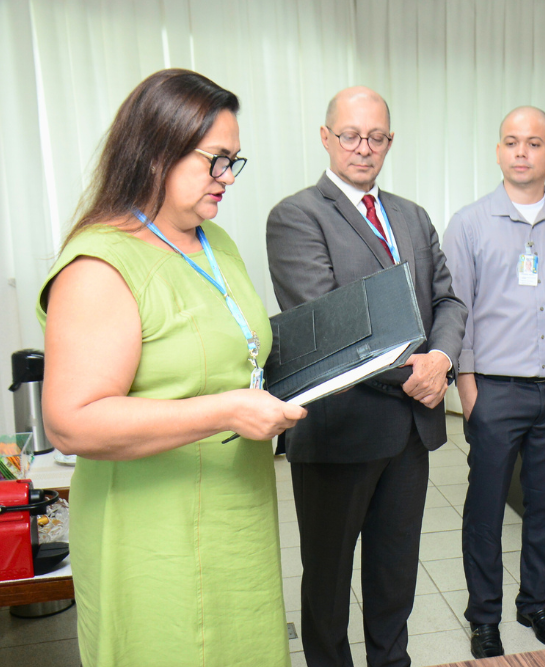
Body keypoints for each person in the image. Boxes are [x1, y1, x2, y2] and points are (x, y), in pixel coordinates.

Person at [38, 69, 306, 667]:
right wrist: (229, 409)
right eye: (216, 160)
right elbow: (72, 424)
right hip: (150, 533)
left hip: (234, 514)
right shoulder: (101, 265)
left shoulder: (214, 241)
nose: (227, 179)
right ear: (158, 150)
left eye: (235, 162)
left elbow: (236, 344)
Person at [266, 86, 466, 667]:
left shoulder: (412, 215)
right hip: (339, 428)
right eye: (350, 135)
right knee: (328, 579)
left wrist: (443, 360)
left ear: (390, 141)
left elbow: (448, 301)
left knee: (395, 567)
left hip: (410, 431)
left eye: (376, 137)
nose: (363, 147)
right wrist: (416, 371)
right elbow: (331, 321)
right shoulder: (296, 216)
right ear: (326, 137)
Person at [442, 106, 545, 659]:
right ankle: (483, 615)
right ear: (498, 151)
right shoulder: (468, 223)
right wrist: (467, 390)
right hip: (495, 390)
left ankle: (534, 602)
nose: (521, 151)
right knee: (486, 509)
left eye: (534, 143)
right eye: (511, 141)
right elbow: (454, 312)